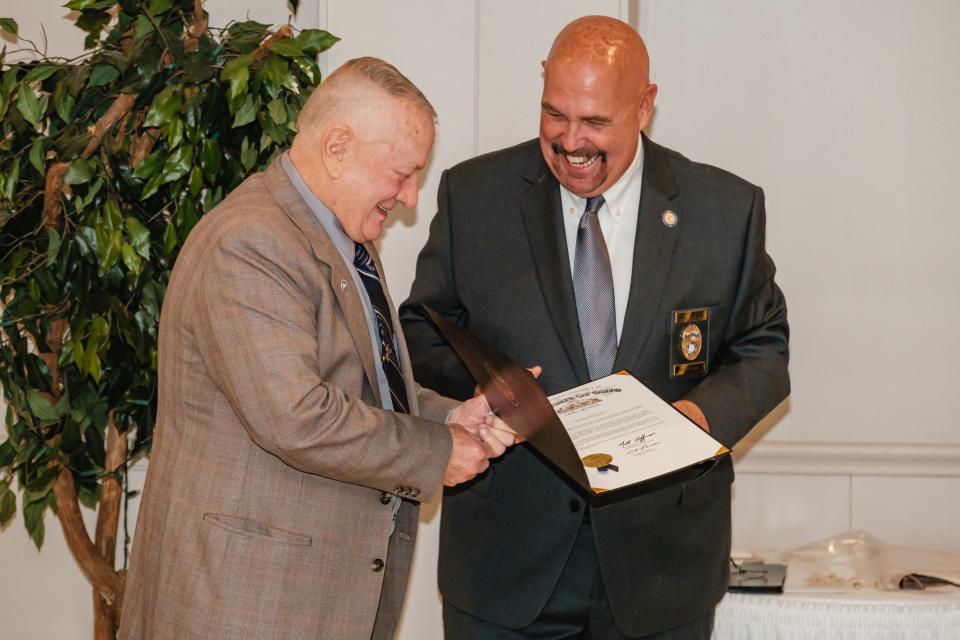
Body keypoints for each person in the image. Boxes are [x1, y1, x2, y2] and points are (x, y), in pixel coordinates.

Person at [399, 16, 790, 640]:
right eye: (554, 114)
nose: (569, 141)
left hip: (663, 569)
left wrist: (697, 419)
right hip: (506, 564)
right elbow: (422, 328)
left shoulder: (725, 210)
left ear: (645, 106)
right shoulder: (475, 197)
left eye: (596, 123)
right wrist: (486, 394)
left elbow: (763, 351)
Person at [119, 57, 517, 640]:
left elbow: (364, 385)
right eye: (403, 174)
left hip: (316, 595)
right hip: (246, 603)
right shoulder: (250, 242)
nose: (409, 198)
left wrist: (450, 415)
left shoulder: (340, 233)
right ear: (337, 147)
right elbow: (297, 416)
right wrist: (437, 450)